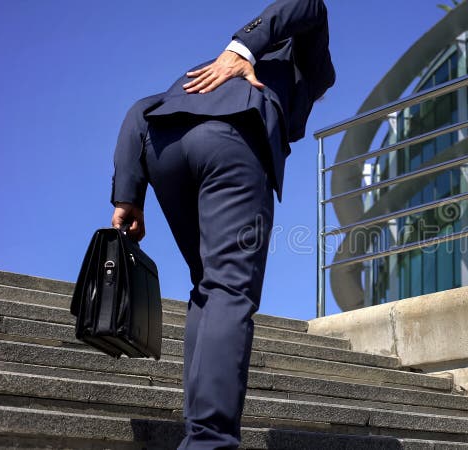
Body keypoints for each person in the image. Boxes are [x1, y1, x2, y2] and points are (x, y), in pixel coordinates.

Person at [108, 0, 335, 448]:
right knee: (230, 288)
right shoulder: (280, 65)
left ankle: (200, 429)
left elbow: (140, 109)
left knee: (209, 288)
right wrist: (244, 46)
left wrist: (128, 194)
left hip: (161, 146)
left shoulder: (201, 74)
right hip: (231, 141)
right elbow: (311, 3)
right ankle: (209, 441)